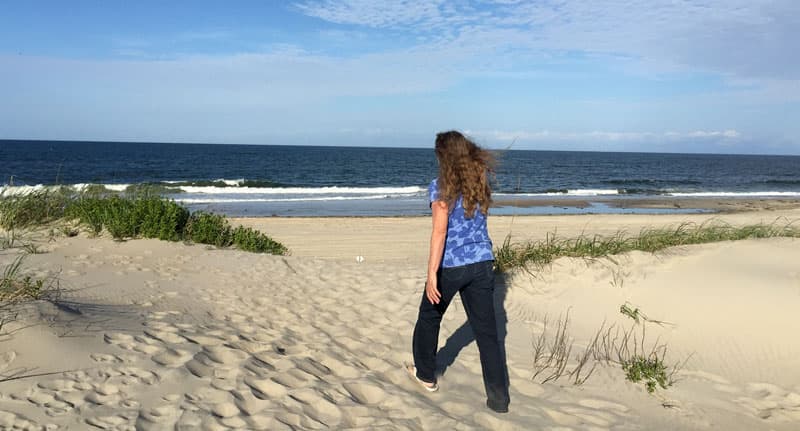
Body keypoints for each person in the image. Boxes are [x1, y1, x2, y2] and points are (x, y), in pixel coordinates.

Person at [407, 130, 510, 413]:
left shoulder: (440, 187)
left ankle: (426, 376)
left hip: (451, 265)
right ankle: (499, 400)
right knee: (487, 334)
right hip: (481, 263)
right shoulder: (480, 179)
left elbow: (439, 233)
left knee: (429, 315)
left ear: (444, 157)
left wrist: (431, 274)